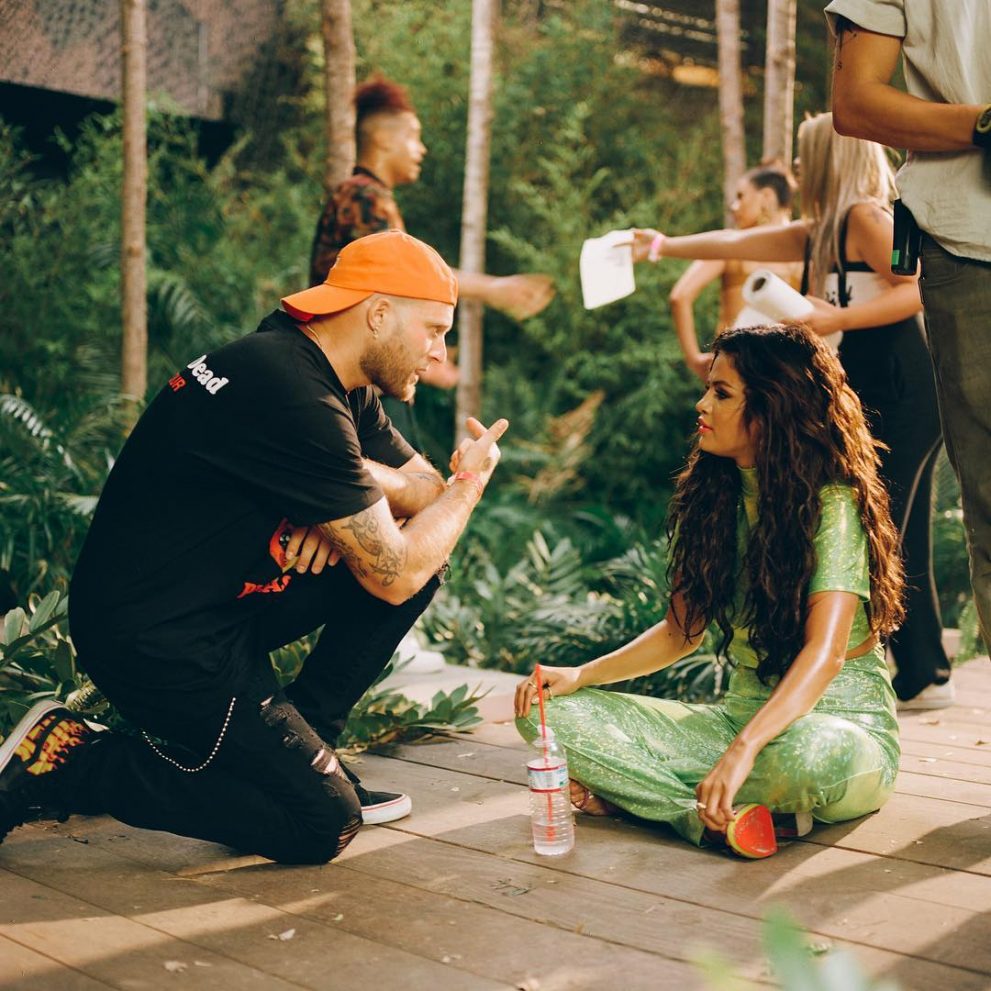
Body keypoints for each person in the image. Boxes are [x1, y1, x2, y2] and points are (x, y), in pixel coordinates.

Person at [0, 230, 509, 865]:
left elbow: (423, 490)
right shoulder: (288, 389)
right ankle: (77, 763)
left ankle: (308, 744)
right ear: (379, 314)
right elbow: (396, 571)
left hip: (219, 610)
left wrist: (338, 494)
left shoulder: (334, 375)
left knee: (427, 551)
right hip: (155, 640)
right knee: (321, 824)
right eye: (434, 330)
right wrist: (469, 484)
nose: (439, 353)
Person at [515, 323, 905, 858]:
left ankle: (651, 797)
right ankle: (699, 815)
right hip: (734, 724)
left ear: (772, 407)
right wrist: (581, 675)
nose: (702, 404)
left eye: (722, 393)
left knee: (807, 757)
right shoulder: (712, 500)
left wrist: (744, 749)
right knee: (543, 712)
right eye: (707, 389)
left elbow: (826, 653)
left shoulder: (833, 504)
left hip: (836, 730)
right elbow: (680, 634)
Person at [629, 113, 952, 710]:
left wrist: (837, 319)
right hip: (868, 388)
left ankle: (897, 675)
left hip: (903, 387)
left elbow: (920, 287)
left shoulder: (865, 219)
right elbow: (736, 244)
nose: (798, 171)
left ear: (832, 159)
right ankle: (923, 673)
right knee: (895, 526)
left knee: (880, 529)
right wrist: (662, 245)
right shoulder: (824, 230)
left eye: (805, 159)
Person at [825, 0, 991, 659]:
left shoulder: (858, 220)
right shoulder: (848, 221)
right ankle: (921, 666)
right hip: (972, 249)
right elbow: (854, 101)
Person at [310, 77, 554, 449]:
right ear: (384, 139)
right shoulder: (364, 196)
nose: (421, 149)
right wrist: (494, 288)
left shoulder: (369, 197)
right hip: (357, 388)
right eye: (413, 136)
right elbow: (405, 279)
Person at [668, 165, 802, 383]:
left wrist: (694, 360)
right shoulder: (805, 253)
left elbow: (680, 296)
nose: (734, 207)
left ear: (766, 196)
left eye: (741, 196)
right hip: (786, 376)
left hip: (734, 370)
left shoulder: (730, 247)